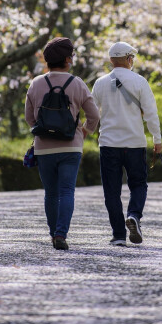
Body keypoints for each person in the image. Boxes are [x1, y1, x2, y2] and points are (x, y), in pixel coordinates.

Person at [25, 37, 99, 251]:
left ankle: (52, 233)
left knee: (51, 192)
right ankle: (61, 234)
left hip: (44, 147)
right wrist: (84, 131)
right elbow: (94, 115)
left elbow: (29, 117)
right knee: (67, 191)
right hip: (70, 146)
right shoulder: (77, 83)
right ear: (67, 59)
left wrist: (43, 129)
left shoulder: (36, 83)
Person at [92, 41, 162, 247]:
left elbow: (93, 114)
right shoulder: (140, 81)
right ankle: (133, 216)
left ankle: (118, 235)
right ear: (129, 59)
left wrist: (83, 133)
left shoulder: (99, 83)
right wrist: (157, 140)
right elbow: (151, 114)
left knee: (111, 190)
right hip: (134, 143)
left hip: (108, 143)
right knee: (138, 184)